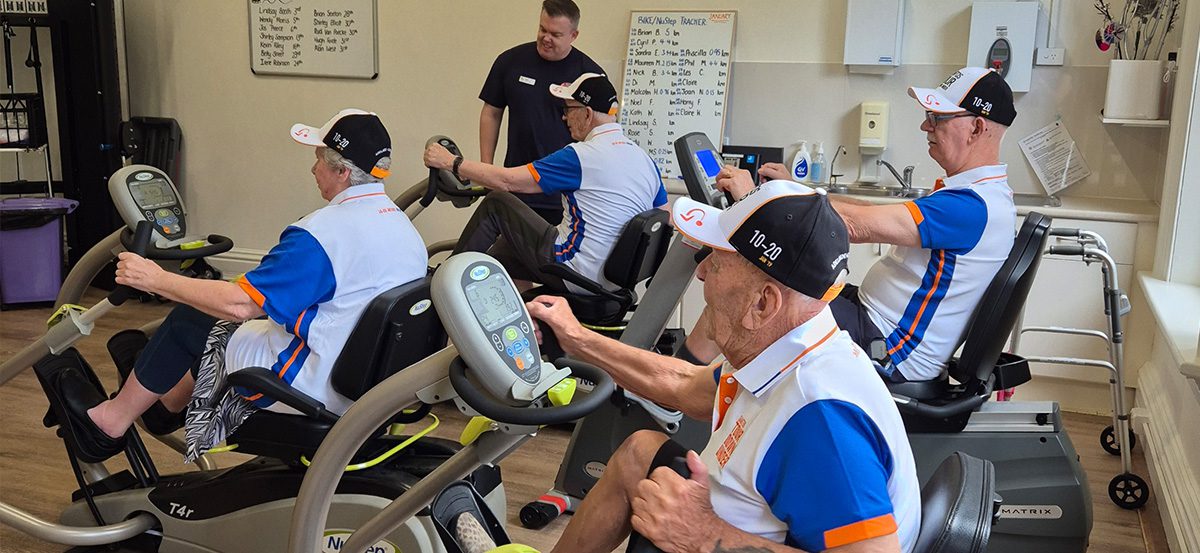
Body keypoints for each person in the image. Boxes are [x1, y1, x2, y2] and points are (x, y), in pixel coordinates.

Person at [528, 180, 921, 553]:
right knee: (639, 452)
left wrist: (703, 533)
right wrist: (577, 338)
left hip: (717, 536)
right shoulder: (789, 347)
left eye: (716, 262)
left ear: (763, 305)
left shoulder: (817, 416)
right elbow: (686, 385)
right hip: (747, 521)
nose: (701, 272)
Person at [55, 109, 428, 462]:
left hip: (313, 386)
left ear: (342, 172)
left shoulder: (322, 233)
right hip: (367, 385)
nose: (313, 169)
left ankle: (109, 422)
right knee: (219, 322)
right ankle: (167, 399)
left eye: (318, 159)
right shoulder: (402, 228)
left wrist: (155, 279)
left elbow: (239, 306)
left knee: (189, 319)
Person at [687, 67, 1019, 383]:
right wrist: (799, 193)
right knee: (763, 280)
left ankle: (675, 390)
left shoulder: (971, 208)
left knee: (747, 288)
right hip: (870, 320)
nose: (925, 127)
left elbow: (852, 225)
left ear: (976, 128)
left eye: (937, 118)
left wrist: (758, 197)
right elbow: (873, 213)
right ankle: (688, 380)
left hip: (888, 350)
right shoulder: (978, 196)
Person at [425, 73, 666, 292]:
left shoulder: (580, 156)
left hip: (577, 271)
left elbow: (507, 181)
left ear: (587, 113)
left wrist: (451, 162)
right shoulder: (644, 159)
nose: (564, 116)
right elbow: (666, 218)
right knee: (502, 253)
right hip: (615, 280)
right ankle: (522, 324)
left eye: (568, 108)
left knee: (497, 202)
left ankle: (444, 285)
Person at [478, 0, 605, 225]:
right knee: (506, 256)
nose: (546, 38)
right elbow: (491, 112)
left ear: (573, 35)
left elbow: (601, 134)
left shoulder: (590, 76)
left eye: (555, 34)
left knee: (550, 259)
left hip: (566, 196)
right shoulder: (510, 61)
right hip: (515, 186)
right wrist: (487, 169)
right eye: (542, 29)